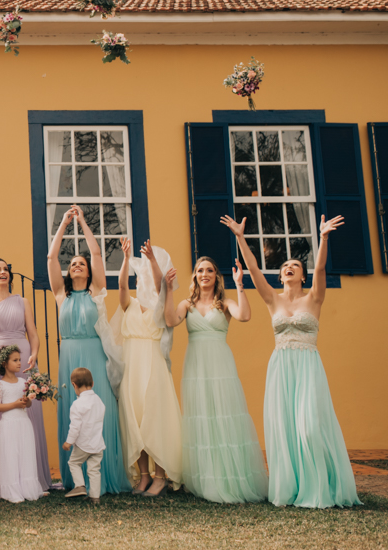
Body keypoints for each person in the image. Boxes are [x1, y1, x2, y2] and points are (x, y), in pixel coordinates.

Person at [222, 213, 359, 508]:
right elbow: (255, 269)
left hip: (308, 366)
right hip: (281, 367)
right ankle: (292, 489)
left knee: (309, 426)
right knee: (285, 428)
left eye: (294, 266)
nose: (288, 269)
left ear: (302, 275)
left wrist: (322, 238)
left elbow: (321, 267)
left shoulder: (314, 298)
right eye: (285, 267)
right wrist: (240, 238)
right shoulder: (272, 299)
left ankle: (321, 486)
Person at [166, 255, 268, 504]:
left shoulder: (225, 303)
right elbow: (170, 320)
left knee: (224, 414)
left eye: (209, 270)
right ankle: (205, 478)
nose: (204, 274)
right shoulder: (186, 305)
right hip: (196, 367)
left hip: (220, 364)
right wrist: (168, 290)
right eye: (200, 270)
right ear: (195, 276)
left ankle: (229, 477)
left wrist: (240, 284)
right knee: (201, 415)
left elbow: (244, 316)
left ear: (216, 276)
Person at [47, 205, 130, 495]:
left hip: (94, 355)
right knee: (73, 414)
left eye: (81, 263)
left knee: (99, 412)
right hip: (69, 356)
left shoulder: (97, 290)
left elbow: (96, 254)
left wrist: (81, 221)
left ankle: (103, 476)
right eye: (74, 264)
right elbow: (51, 257)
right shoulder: (61, 294)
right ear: (69, 272)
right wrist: (63, 224)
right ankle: (76, 481)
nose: (77, 265)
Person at [112, 238, 183, 497]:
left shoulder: (161, 306)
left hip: (153, 365)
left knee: (156, 418)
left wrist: (152, 260)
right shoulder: (128, 304)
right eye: (138, 277)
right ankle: (143, 477)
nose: (140, 281)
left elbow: (160, 286)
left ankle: (161, 477)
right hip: (132, 368)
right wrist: (126, 258)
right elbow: (121, 284)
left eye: (144, 277)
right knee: (135, 421)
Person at [0, 258, 52, 490]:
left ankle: (30, 476)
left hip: (22, 359)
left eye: (6, 269)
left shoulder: (23, 301)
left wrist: (34, 354)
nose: (3, 272)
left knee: (27, 413)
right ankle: (3, 478)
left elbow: (33, 333)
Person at [0, 346, 46, 503]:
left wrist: (26, 402)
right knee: (11, 456)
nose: (19, 363)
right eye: (15, 360)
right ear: (5, 364)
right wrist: (14, 404)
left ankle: (27, 487)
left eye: (19, 359)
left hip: (23, 423)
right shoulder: (1, 385)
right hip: (8, 426)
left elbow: (26, 406)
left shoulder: (23, 382)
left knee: (24, 455)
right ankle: (11, 489)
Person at [63, 367, 106, 504]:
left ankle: (80, 486)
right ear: (92, 383)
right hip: (98, 443)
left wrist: (69, 442)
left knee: (74, 462)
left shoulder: (77, 404)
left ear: (74, 385)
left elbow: (75, 427)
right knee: (94, 470)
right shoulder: (99, 401)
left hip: (84, 444)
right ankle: (95, 497)